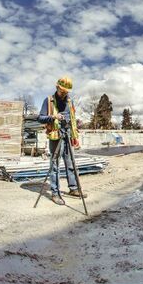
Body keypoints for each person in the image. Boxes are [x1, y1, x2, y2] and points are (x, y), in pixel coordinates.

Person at [37, 76, 87, 205]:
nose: (64, 93)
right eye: (62, 91)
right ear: (57, 87)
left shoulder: (69, 102)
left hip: (68, 135)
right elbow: (40, 118)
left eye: (66, 91)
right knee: (55, 165)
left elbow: (73, 119)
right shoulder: (48, 100)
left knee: (71, 163)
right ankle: (55, 193)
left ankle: (74, 189)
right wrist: (54, 116)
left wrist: (74, 136)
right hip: (55, 136)